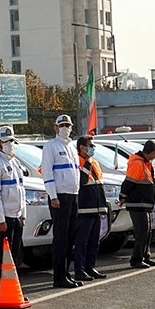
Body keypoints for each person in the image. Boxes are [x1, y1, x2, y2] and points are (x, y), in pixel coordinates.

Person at [40, 115, 81, 288]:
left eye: (68, 125)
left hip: (73, 194)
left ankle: (66, 272)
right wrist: (53, 196)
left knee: (71, 236)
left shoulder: (71, 146)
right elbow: (47, 173)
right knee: (61, 238)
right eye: (62, 125)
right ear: (56, 127)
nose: (65, 128)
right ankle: (58, 277)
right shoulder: (50, 146)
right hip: (60, 196)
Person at [0, 125, 26, 291]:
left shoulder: (15, 162)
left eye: (11, 141)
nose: (9, 144)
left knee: (16, 255)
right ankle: (1, 289)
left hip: (16, 216)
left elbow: (21, 190)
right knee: (3, 257)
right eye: (6, 141)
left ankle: (14, 289)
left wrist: (23, 214)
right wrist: (1, 220)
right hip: (5, 218)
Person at [120, 140, 155, 268]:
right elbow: (128, 183)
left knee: (147, 231)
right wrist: (123, 197)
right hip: (137, 203)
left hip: (144, 204)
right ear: (152, 152)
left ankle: (145, 256)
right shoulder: (138, 163)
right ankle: (136, 259)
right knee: (142, 231)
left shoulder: (145, 163)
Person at [73, 136, 108, 281]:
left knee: (94, 241)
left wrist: (102, 208)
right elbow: (81, 181)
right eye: (90, 145)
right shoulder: (78, 161)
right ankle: (79, 270)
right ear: (82, 147)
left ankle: (90, 267)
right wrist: (86, 163)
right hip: (84, 210)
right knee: (82, 242)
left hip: (96, 209)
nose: (93, 148)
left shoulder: (94, 162)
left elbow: (99, 185)